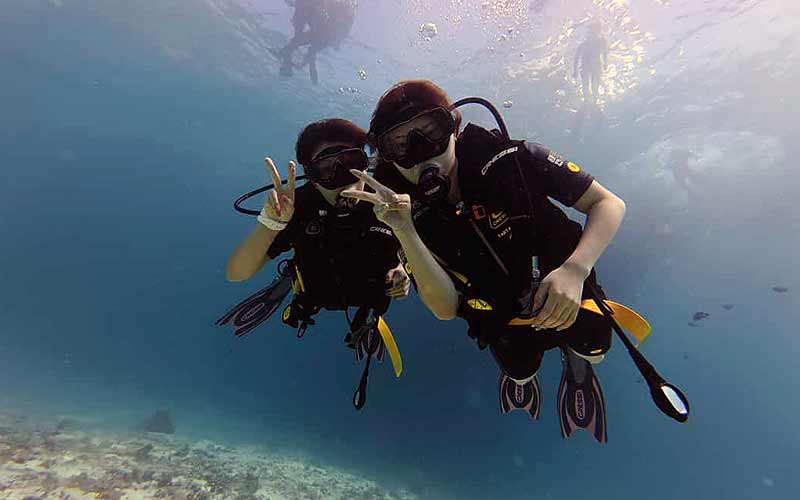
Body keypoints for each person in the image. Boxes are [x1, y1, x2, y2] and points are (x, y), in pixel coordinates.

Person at [341, 80, 627, 442]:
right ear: (388, 158)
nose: (421, 153)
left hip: (568, 287)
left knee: (595, 347)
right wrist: (405, 231)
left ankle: (578, 363)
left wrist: (575, 270)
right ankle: (528, 374)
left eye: (431, 132)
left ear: (454, 127)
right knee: (519, 368)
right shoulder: (398, 210)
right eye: (400, 144)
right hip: (499, 315)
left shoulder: (517, 160)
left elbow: (608, 204)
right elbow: (445, 308)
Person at [221, 118, 410, 409]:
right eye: (326, 168)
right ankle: (286, 283)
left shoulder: (386, 200)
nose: (341, 178)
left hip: (370, 297)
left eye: (350, 163)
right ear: (311, 176)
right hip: (312, 293)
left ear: (367, 163)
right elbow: (236, 273)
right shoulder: (297, 206)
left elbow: (413, 250)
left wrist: (403, 270)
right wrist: (270, 223)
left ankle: (365, 325)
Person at [272, 0, 357, 85]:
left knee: (309, 48)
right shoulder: (307, 6)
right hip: (328, 30)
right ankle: (300, 62)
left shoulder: (340, 10)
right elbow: (300, 29)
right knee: (309, 48)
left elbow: (300, 30)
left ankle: (301, 62)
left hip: (330, 31)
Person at [573, 21, 608, 100]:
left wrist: (605, 63)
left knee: (592, 86)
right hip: (590, 66)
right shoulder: (587, 43)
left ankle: (592, 101)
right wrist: (575, 70)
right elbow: (577, 57)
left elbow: (605, 52)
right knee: (589, 86)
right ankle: (590, 101)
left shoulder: (600, 41)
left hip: (593, 66)